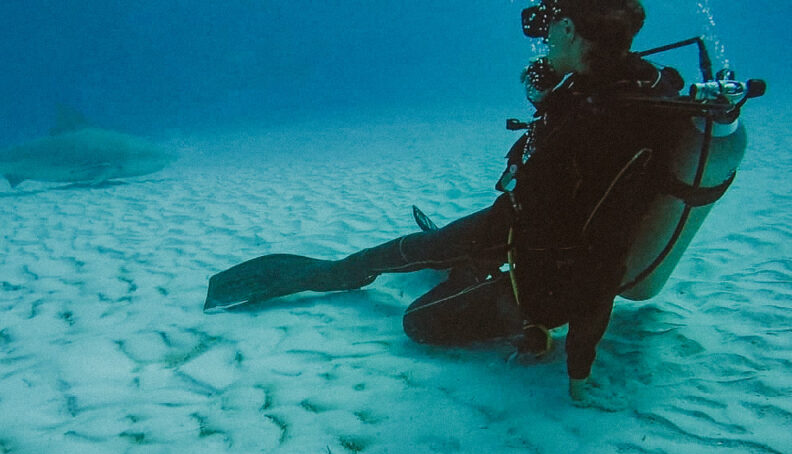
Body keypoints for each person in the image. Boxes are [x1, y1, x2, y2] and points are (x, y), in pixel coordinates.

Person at [205, 0, 686, 408]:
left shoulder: (598, 118)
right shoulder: (630, 89)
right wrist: (548, 100)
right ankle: (342, 272)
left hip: (543, 279)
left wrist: (576, 372)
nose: (544, 42)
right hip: (520, 231)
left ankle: (468, 271)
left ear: (566, 28)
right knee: (421, 247)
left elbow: (605, 252)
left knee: (419, 322)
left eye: (552, 28)